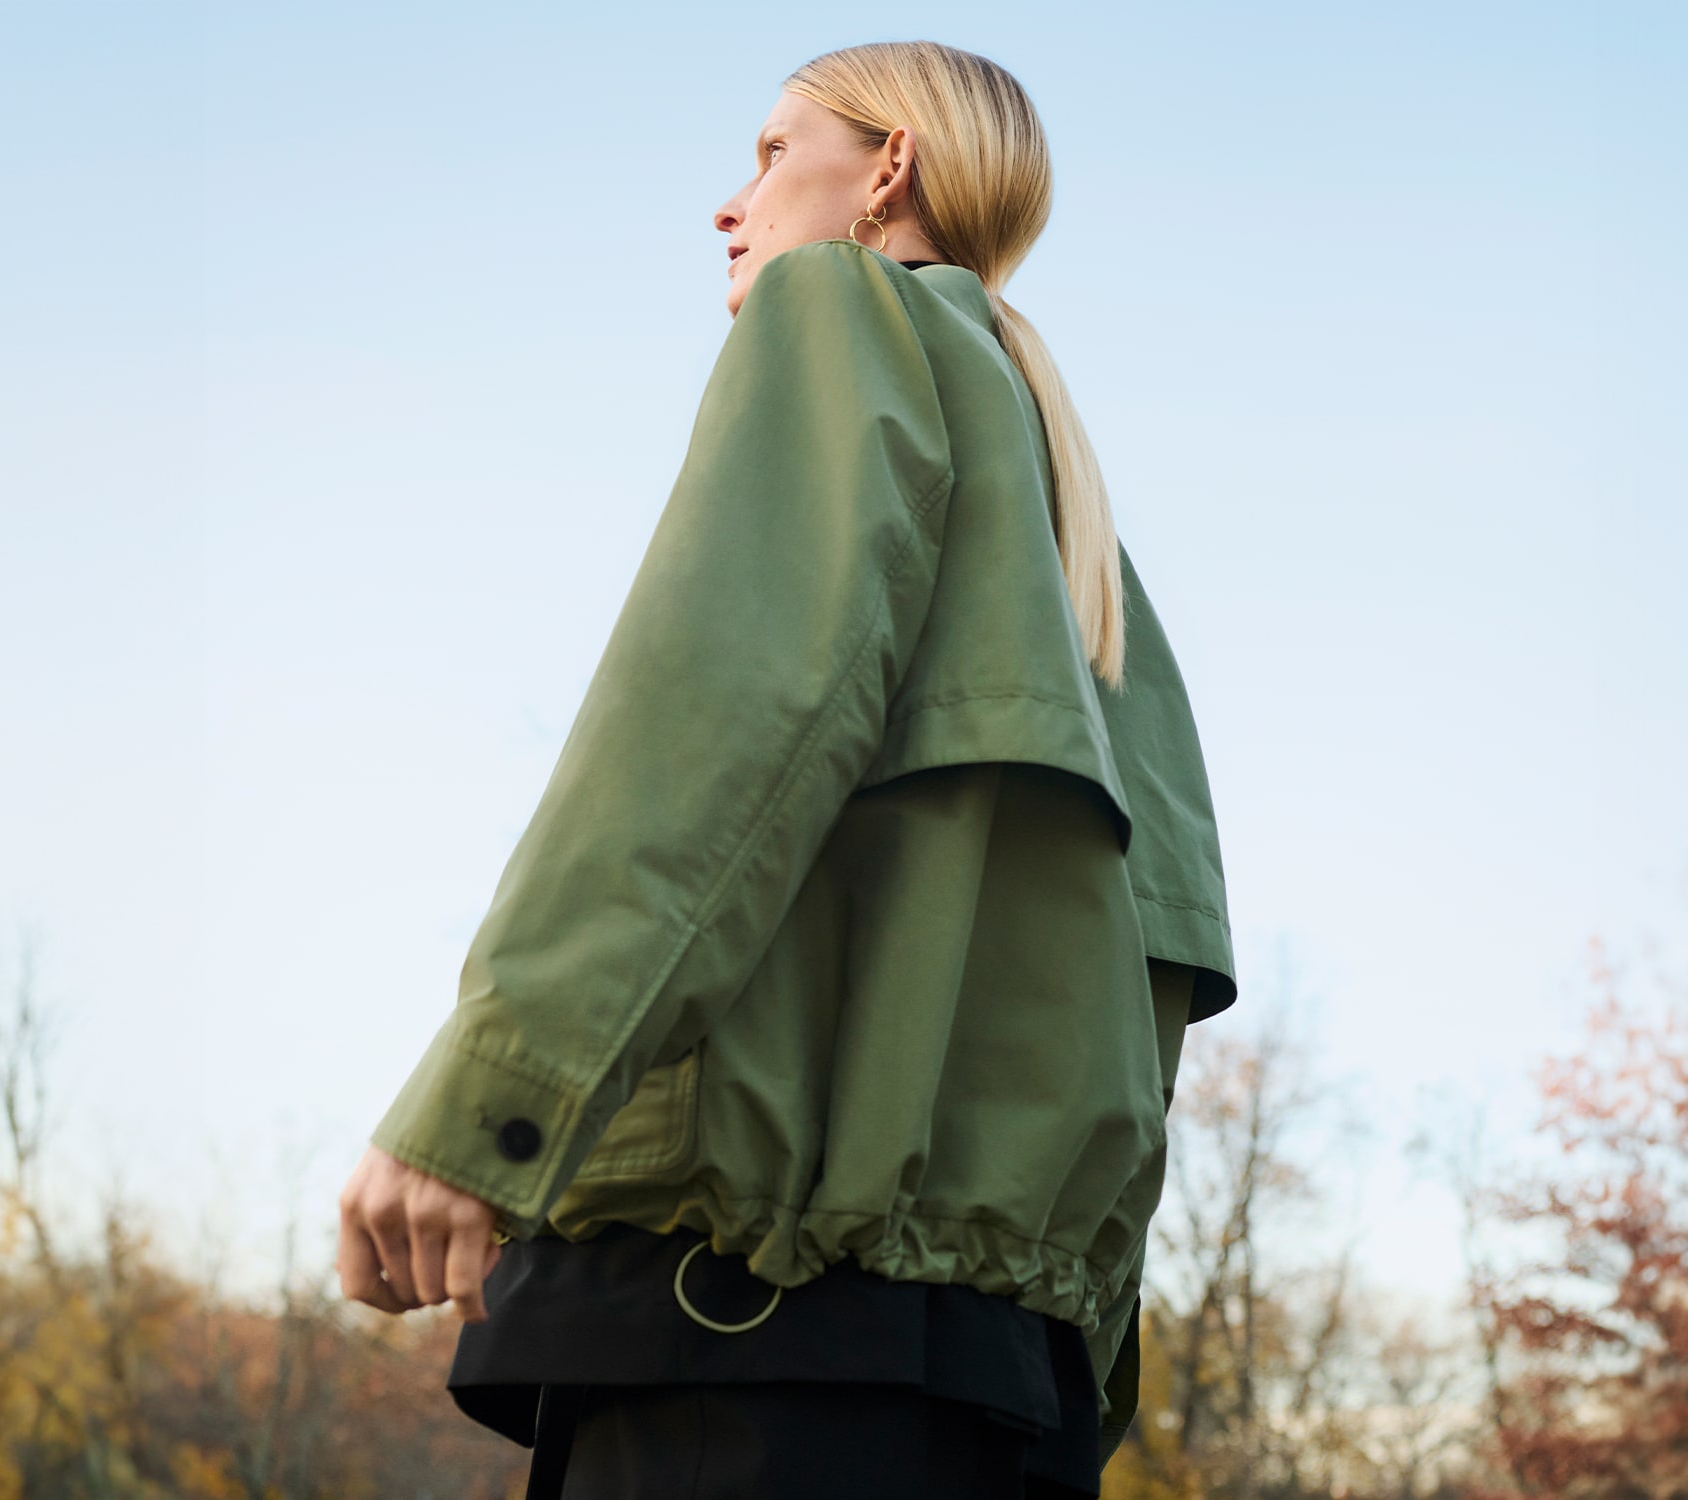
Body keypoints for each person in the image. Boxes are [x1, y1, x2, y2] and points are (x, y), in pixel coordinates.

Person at [331, 41, 1236, 1500]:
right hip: (999, 1381)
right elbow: (1163, 973)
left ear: (890, 169)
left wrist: (489, 1107)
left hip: (750, 1339)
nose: (729, 202)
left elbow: (712, 734)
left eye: (769, 151)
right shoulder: (1085, 555)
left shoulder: (836, 317)